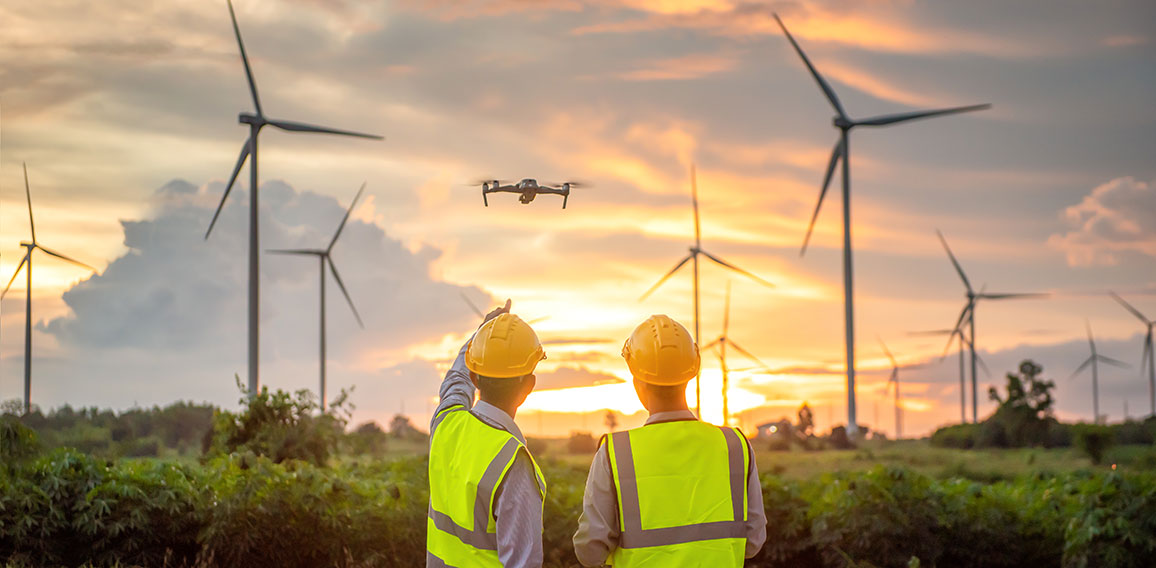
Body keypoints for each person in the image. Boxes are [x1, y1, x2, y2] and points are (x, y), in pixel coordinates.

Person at [573, 314, 767, 567]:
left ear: (637, 381)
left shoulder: (616, 452)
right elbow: (752, 541)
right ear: (691, 373)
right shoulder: (734, 445)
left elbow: (590, 551)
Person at [427, 299, 548, 568]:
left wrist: (481, 334)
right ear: (529, 386)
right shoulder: (512, 464)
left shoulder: (446, 424)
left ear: (475, 377)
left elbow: (454, 382)